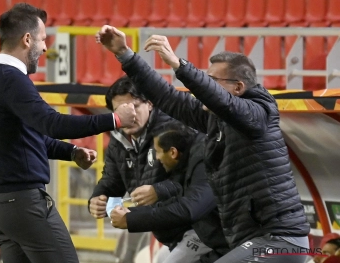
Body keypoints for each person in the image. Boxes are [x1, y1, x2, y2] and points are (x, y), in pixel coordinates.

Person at [96, 25, 311, 263]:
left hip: (279, 240)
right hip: (253, 239)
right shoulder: (215, 119)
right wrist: (126, 55)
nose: (202, 89)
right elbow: (168, 97)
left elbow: (221, 101)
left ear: (238, 88)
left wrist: (180, 66)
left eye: (212, 80)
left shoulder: (259, 112)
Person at [0, 4, 136, 263]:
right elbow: (53, 124)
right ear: (27, 39)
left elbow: (28, 136)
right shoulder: (11, 79)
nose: (45, 48)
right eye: (42, 39)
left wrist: (71, 152)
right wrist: (115, 119)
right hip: (23, 204)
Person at [88, 76, 191, 262]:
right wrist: (98, 199)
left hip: (193, 227)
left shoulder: (173, 132)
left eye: (135, 106)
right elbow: (112, 181)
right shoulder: (119, 139)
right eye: (121, 110)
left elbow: (194, 181)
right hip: (162, 228)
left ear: (150, 104)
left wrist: (158, 190)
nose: (130, 115)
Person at [110, 122, 229, 263]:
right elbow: (182, 188)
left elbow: (190, 208)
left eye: (158, 152)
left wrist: (131, 219)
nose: (157, 158)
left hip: (224, 236)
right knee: (161, 258)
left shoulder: (204, 160)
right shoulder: (190, 154)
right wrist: (154, 194)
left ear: (173, 152)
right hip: (206, 230)